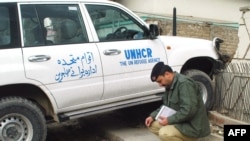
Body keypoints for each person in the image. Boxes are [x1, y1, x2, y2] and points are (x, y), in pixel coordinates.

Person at [145, 62, 211, 141]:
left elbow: (189, 110)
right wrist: (152, 116)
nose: (160, 85)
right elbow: (166, 106)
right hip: (181, 122)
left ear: (167, 74)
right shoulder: (170, 85)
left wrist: (169, 120)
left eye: (160, 81)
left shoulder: (184, 84)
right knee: (152, 125)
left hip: (192, 127)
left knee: (164, 133)